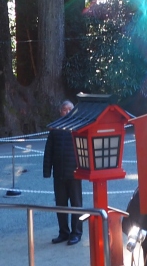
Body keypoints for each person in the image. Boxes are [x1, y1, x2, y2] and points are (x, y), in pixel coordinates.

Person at [43, 100, 83, 244]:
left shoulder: (78, 127)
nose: (67, 112)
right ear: (60, 112)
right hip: (59, 174)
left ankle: (76, 233)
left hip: (75, 173)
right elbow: (48, 152)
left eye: (70, 109)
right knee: (61, 205)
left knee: (76, 204)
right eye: (64, 109)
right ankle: (64, 232)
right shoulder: (55, 129)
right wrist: (47, 171)